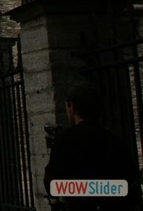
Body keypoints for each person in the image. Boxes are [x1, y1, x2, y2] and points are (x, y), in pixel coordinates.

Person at [44, 82, 141, 211]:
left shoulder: (65, 139)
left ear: (72, 106)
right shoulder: (116, 140)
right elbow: (131, 186)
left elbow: (52, 185)